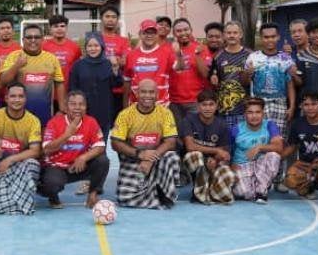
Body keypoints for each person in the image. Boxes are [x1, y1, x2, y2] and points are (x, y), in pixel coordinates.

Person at [110, 79, 182, 209]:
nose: (147, 96)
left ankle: (163, 195)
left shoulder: (165, 113)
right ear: (137, 94)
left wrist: (150, 159)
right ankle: (153, 194)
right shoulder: (125, 115)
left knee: (172, 157)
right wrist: (140, 154)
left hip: (156, 158)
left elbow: (171, 142)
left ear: (157, 94)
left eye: (151, 92)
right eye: (143, 92)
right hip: (133, 158)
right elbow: (115, 143)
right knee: (123, 198)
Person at [39, 90, 110, 209]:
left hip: (79, 166)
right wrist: (67, 134)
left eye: (81, 104)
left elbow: (100, 146)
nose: (77, 107)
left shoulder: (91, 122)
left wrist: (83, 157)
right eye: (73, 104)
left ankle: (93, 194)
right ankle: (52, 196)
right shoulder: (54, 122)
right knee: (51, 184)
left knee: (102, 161)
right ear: (66, 107)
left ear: (86, 107)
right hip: (58, 167)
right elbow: (46, 150)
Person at [0, 83, 43, 215]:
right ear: (6, 98)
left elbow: (35, 151)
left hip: (21, 167)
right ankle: (20, 203)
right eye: (13, 96)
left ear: (25, 99)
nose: (17, 100)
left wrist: (10, 160)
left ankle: (13, 202)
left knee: (32, 164)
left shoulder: (33, 121)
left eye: (20, 96)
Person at [0, 23, 65, 127]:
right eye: (29, 37)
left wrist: (62, 109)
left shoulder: (52, 59)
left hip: (44, 114)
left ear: (42, 39)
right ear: (23, 39)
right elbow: (3, 81)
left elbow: (59, 83)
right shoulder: (14, 56)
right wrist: (17, 65)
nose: (33, 40)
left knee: (42, 141)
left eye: (37, 37)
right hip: (17, 115)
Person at [282, 91, 318, 202]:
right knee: (289, 180)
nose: (310, 108)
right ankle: (309, 187)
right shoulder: (297, 124)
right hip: (305, 165)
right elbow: (292, 147)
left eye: (313, 104)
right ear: (301, 106)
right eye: (306, 105)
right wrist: (276, 158)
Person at [181, 89, 237, 204]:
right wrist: (216, 150)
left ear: (216, 106)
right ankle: (200, 192)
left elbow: (225, 153)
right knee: (195, 156)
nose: (207, 108)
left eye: (211, 104)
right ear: (198, 106)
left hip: (213, 162)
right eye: (204, 105)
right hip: (194, 163)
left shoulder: (222, 125)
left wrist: (216, 160)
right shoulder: (189, 120)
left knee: (229, 176)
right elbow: (190, 146)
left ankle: (209, 190)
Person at [246, 22, 296, 136]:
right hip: (259, 104)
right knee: (260, 136)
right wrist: (248, 74)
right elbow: (245, 82)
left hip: (280, 103)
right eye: (266, 37)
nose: (270, 40)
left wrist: (291, 106)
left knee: (279, 137)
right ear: (261, 38)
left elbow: (290, 84)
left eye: (273, 36)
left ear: (278, 37)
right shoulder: (253, 57)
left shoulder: (285, 58)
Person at [230, 97, 284, 203]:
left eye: (257, 112)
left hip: (261, 164)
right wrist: (231, 166)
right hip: (242, 165)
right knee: (242, 193)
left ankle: (261, 192)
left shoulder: (269, 125)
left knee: (274, 155)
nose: (254, 116)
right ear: (244, 114)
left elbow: (279, 147)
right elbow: (228, 151)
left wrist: (260, 147)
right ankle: (259, 185)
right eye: (250, 112)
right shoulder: (236, 129)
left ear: (263, 113)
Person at [68, 33, 122, 137]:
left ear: (102, 47)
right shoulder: (78, 65)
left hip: (104, 111)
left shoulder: (108, 64)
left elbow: (117, 84)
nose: (93, 49)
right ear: (85, 48)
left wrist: (115, 67)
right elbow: (72, 89)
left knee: (102, 143)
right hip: (83, 111)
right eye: (90, 46)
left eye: (96, 46)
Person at [207, 21, 252, 136]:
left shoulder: (250, 55)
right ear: (224, 35)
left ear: (240, 34)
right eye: (229, 33)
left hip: (245, 109)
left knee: (243, 141)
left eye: (235, 33)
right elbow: (214, 79)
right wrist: (213, 79)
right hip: (224, 110)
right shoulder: (218, 56)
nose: (232, 35)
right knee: (226, 142)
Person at [169, 18, 211, 127]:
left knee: (195, 133)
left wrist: (197, 55)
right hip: (173, 102)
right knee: (178, 137)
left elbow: (205, 74)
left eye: (186, 29)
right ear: (173, 33)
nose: (183, 33)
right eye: (179, 31)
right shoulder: (168, 49)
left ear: (191, 30)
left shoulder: (201, 48)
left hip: (195, 101)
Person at [122, 19, 175, 106]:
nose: (149, 36)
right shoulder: (131, 55)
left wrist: (179, 55)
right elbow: (127, 81)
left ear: (157, 34)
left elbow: (179, 69)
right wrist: (124, 106)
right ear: (140, 34)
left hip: (160, 106)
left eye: (152, 33)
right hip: (136, 106)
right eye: (145, 33)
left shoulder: (167, 53)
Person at [42, 14, 82, 88]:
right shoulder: (43, 46)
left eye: (62, 26)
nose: (59, 29)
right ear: (50, 28)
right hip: (48, 89)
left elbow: (77, 68)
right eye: (56, 26)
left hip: (68, 88)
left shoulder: (75, 47)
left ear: (66, 28)